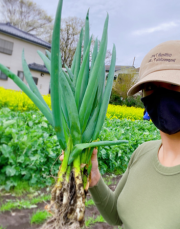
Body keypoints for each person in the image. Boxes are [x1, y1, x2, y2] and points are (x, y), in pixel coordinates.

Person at [60, 40, 180, 228]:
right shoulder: (143, 152)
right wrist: (95, 179)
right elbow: (117, 215)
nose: (161, 96)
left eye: (173, 85)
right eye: (151, 87)